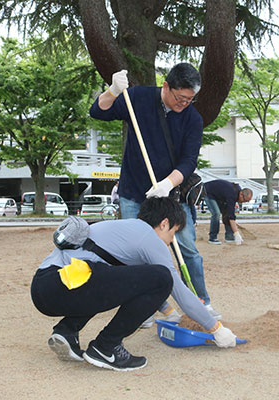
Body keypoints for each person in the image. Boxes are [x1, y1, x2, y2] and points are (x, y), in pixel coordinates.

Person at [30, 197, 238, 372]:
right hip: (62, 285)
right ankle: (106, 347)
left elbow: (135, 286)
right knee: (162, 276)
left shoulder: (125, 230)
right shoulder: (149, 237)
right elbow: (175, 288)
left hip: (44, 288)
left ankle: (66, 331)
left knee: (110, 277)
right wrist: (216, 329)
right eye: (173, 233)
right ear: (164, 223)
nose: (169, 241)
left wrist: (169, 312)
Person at [89, 63, 222, 320]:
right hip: (133, 191)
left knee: (187, 249)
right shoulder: (137, 97)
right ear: (166, 86)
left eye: (190, 99)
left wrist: (168, 184)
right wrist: (113, 91)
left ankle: (201, 301)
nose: (184, 103)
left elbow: (188, 161)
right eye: (179, 97)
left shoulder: (193, 119)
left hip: (170, 195)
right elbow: (99, 111)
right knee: (132, 252)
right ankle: (145, 306)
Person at [203, 179, 253, 245]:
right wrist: (236, 233)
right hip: (208, 192)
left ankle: (229, 237)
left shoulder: (236, 192)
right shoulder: (232, 194)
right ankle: (213, 238)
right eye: (245, 200)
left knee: (227, 212)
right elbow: (231, 217)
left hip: (219, 196)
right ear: (241, 194)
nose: (244, 202)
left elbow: (229, 213)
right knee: (216, 213)